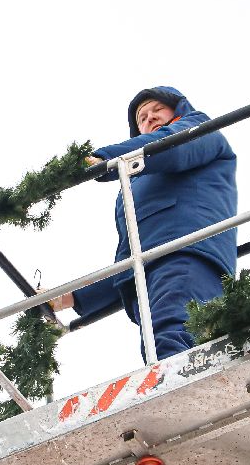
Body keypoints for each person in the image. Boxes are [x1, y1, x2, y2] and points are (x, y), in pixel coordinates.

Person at [50, 86, 238, 359]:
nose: (149, 117)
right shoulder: (136, 183)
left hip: (185, 255)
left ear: (178, 109)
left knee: (173, 339)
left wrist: (105, 159)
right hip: (149, 273)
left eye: (157, 109)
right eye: (142, 118)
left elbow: (172, 145)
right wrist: (71, 296)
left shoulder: (200, 130)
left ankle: (176, 385)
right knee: (157, 349)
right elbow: (132, 257)